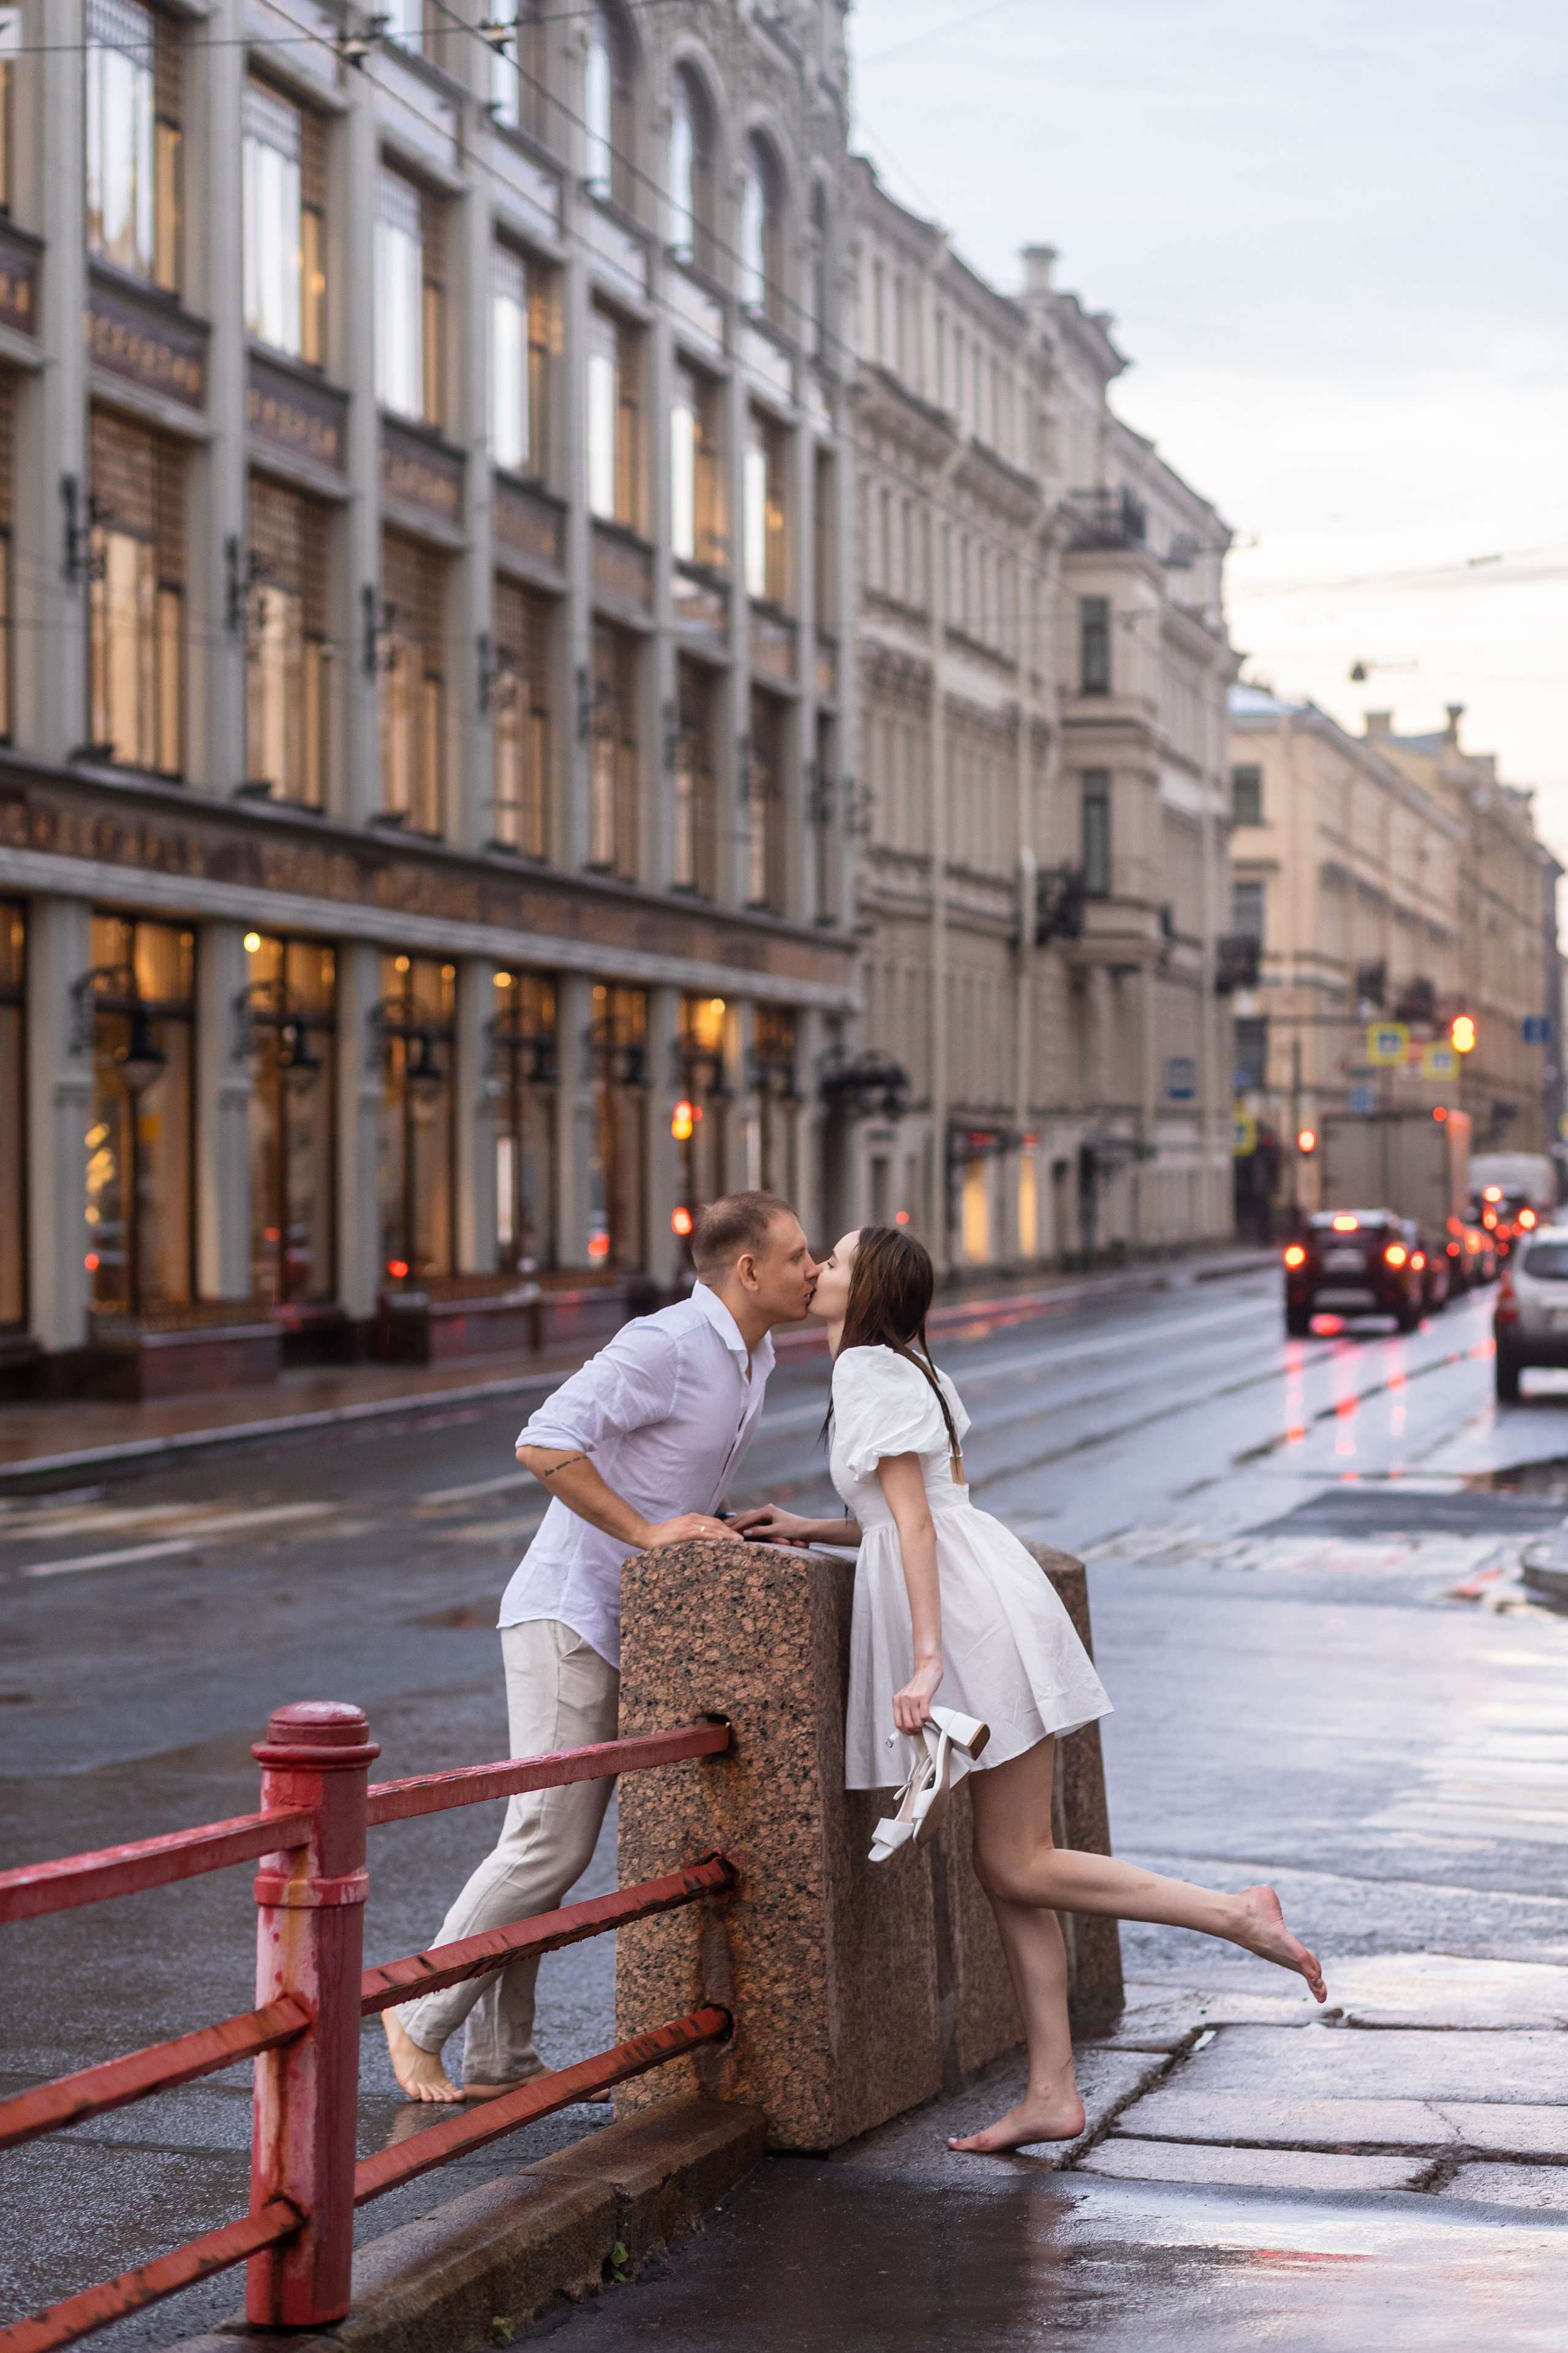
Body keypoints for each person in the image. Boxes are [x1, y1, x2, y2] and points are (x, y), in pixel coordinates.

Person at [733, 1225, 1327, 2155]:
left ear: (870, 1286)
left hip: (969, 1619)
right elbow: (906, 1515)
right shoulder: (909, 1363)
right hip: (987, 1595)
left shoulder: (867, 1373)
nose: (818, 1272)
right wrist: (807, 1525)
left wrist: (927, 1661)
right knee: (1012, 1866)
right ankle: (1052, 2088)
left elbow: (920, 1528)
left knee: (1017, 1861)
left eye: (836, 1262)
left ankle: (1233, 1914)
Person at [383, 1191, 818, 2103]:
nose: (813, 1272)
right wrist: (650, 1532)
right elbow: (544, 1442)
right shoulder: (665, 1344)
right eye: (798, 1257)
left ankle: (502, 2056)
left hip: (623, 1622)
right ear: (748, 1270)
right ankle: (416, 2010)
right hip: (567, 1615)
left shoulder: (758, 1353)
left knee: (537, 1840)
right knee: (549, 1840)